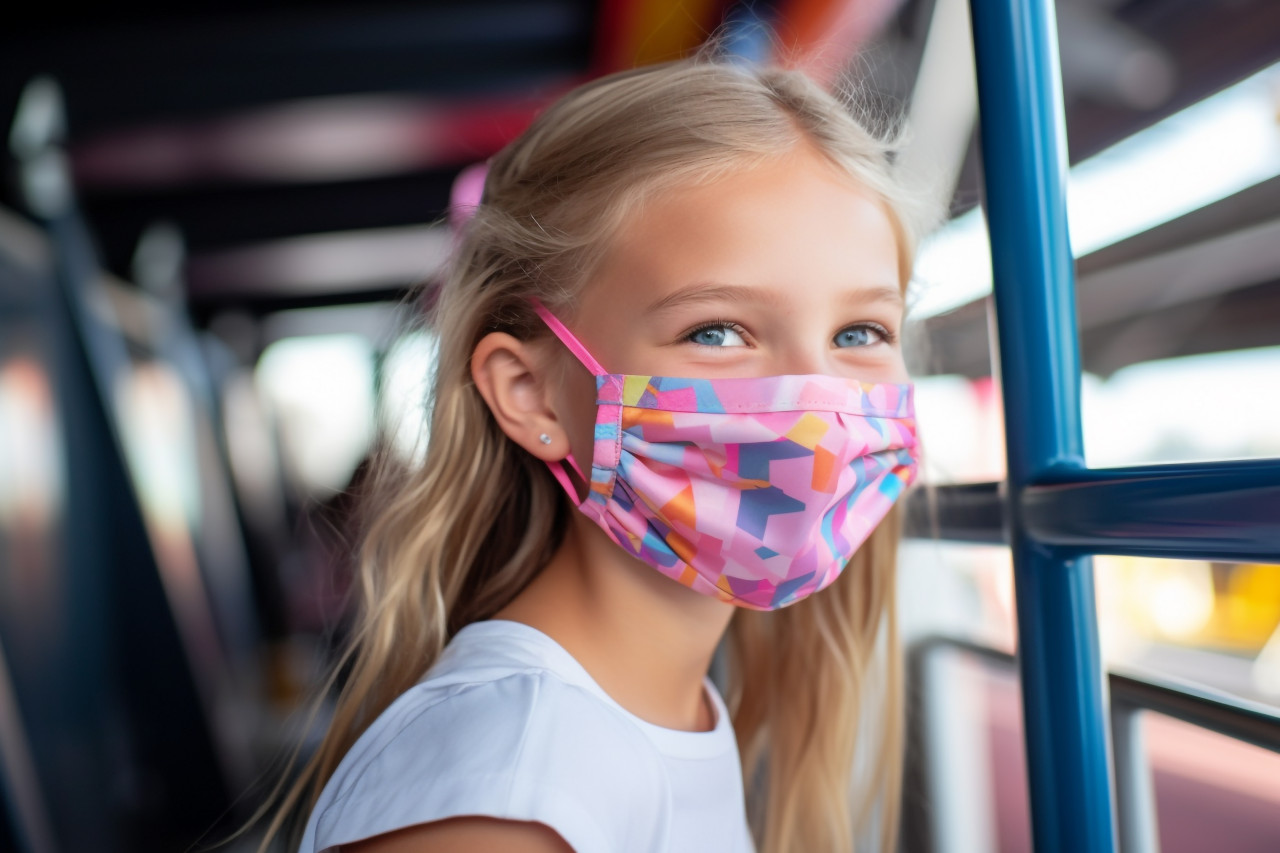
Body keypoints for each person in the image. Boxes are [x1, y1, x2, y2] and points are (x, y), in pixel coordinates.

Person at [267, 55, 926, 853]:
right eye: (715, 331)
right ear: (532, 394)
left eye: (860, 333)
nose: (818, 403)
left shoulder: (628, 721)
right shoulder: (518, 778)